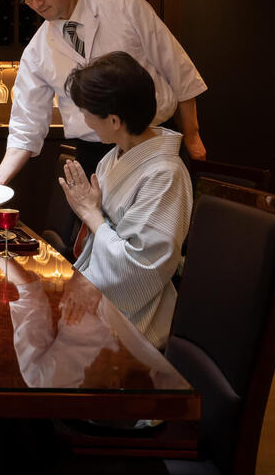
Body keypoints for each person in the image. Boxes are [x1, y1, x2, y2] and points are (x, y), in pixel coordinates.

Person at [0, 0, 207, 194]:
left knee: (161, 228)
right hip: (94, 156)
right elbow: (26, 125)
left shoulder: (126, 7)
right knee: (98, 231)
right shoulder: (36, 51)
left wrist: (192, 135)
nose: (36, 2)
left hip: (154, 142)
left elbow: (178, 70)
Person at [56, 51, 193, 349]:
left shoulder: (164, 175)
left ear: (114, 120)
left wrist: (91, 214)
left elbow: (139, 268)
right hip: (99, 298)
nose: (84, 120)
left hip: (133, 327)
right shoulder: (114, 157)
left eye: (86, 112)